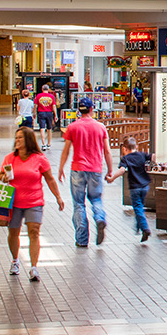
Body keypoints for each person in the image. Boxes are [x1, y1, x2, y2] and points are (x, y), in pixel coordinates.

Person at [0, 126, 65, 281]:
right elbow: (2, 175)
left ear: (28, 140)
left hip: (34, 201)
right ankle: (15, 260)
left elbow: (49, 179)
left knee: (34, 232)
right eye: (16, 138)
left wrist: (58, 197)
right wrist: (4, 177)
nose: (17, 141)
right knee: (13, 233)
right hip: (14, 202)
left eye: (20, 138)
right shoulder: (10, 158)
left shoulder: (39, 158)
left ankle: (34, 267)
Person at [58, 97, 112, 247]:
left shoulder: (73, 127)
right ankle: (100, 218)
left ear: (79, 110)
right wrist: (110, 170)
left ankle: (82, 240)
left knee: (79, 204)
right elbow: (107, 150)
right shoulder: (100, 127)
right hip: (95, 169)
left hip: (77, 169)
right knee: (96, 199)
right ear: (91, 110)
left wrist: (61, 168)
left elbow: (66, 150)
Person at [107, 137, 152, 242]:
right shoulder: (141, 155)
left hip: (135, 187)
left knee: (138, 208)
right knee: (140, 206)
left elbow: (122, 170)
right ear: (136, 146)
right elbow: (153, 157)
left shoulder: (126, 158)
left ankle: (145, 228)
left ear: (124, 148)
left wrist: (112, 178)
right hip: (145, 186)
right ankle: (138, 227)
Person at [34, 85, 58, 150]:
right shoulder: (51, 96)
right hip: (49, 113)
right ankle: (49, 143)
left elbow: (35, 105)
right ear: (48, 89)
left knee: (42, 128)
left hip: (41, 112)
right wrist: (56, 115)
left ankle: (43, 144)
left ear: (42, 89)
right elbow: (54, 106)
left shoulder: (39, 96)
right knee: (49, 129)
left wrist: (34, 113)